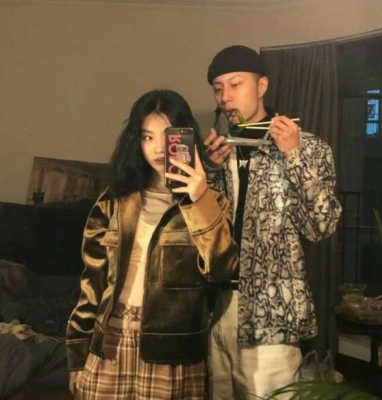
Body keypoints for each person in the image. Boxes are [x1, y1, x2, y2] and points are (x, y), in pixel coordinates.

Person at [65, 89, 239, 400]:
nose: (158, 148)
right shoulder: (114, 202)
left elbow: (221, 269)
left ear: (185, 138)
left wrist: (199, 198)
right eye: (147, 137)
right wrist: (78, 350)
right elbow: (92, 282)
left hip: (174, 354)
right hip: (111, 344)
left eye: (168, 136)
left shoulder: (210, 202)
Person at [203, 45, 342, 399]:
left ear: (262, 86)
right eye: (218, 88)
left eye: (235, 84)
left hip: (272, 315)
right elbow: (206, 228)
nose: (225, 97)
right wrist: (210, 172)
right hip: (216, 307)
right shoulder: (221, 150)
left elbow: (322, 226)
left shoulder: (308, 147)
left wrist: (293, 156)